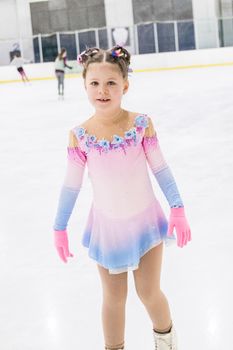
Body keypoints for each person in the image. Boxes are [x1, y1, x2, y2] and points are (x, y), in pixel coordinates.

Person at [53, 45, 191, 350]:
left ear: (125, 85)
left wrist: (177, 207)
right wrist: (59, 226)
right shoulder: (80, 134)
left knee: (149, 292)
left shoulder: (140, 124)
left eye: (111, 83)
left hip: (146, 224)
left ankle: (166, 341)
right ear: (85, 85)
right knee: (114, 299)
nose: (102, 90)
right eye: (95, 83)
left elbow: (160, 168)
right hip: (108, 230)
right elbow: (71, 186)